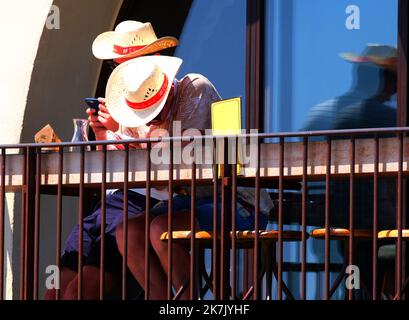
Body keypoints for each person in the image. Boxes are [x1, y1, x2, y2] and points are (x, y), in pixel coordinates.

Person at [44, 20, 183, 300]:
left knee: (79, 292)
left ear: (153, 58)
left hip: (145, 200)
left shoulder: (166, 94)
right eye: (116, 66)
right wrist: (102, 133)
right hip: (113, 199)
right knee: (56, 290)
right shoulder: (125, 95)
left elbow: (166, 161)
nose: (121, 73)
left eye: (126, 65)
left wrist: (116, 133)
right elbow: (115, 165)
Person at [300, 44, 398, 299]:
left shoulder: (324, 115)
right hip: (373, 223)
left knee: (350, 283)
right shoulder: (388, 120)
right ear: (384, 81)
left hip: (332, 221)